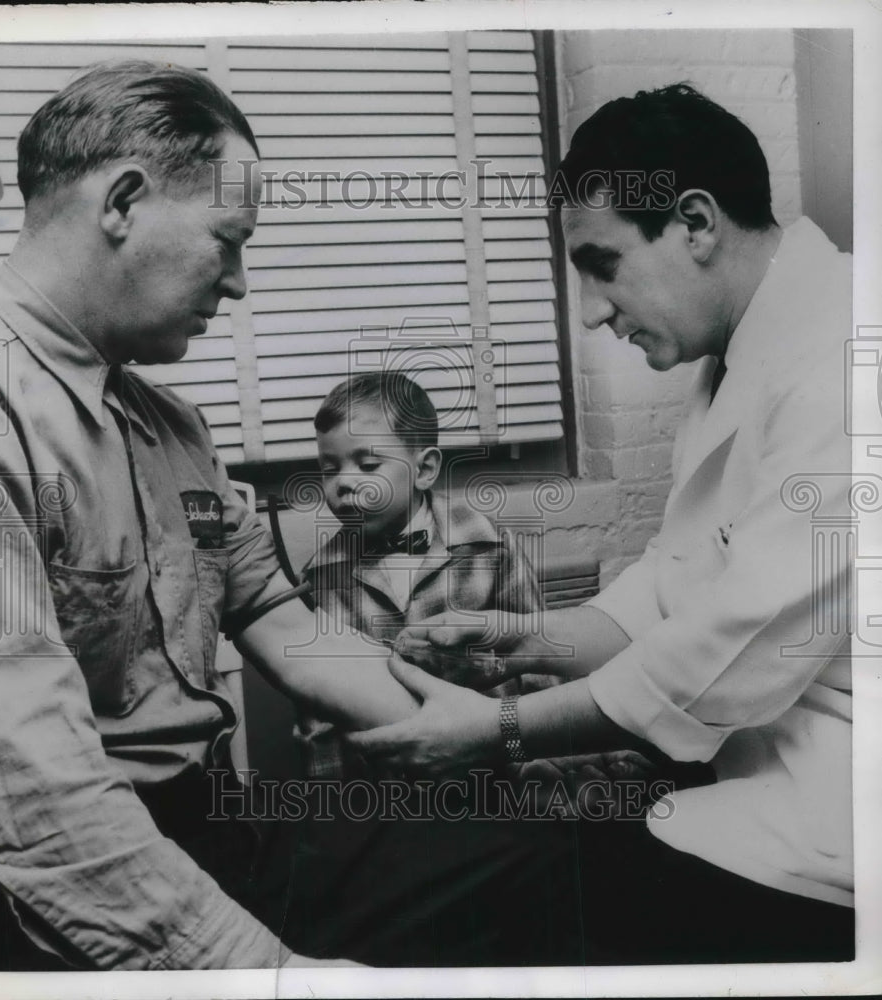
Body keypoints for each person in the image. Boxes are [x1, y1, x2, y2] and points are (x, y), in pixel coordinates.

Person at [0, 59, 586, 972]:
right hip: (71, 877)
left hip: (218, 828)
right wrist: (267, 975)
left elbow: (268, 609)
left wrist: (484, 736)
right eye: (227, 240)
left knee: (533, 853)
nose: (242, 284)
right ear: (123, 202)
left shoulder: (172, 423)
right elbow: (35, 799)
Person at [348, 83, 855, 964]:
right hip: (754, 754)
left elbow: (730, 646)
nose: (587, 311)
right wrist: (521, 638)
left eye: (601, 264)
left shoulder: (848, 360)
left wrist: (499, 731)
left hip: (839, 794)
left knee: (530, 894)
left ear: (694, 224)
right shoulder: (738, 353)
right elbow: (670, 586)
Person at [296, 370, 540, 778]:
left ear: (424, 469)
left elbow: (536, 662)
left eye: (368, 464)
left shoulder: (490, 546)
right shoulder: (321, 580)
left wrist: (543, 767)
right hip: (386, 794)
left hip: (499, 776)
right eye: (328, 468)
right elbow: (318, 714)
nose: (343, 483)